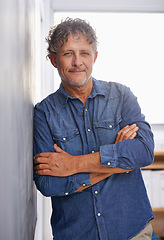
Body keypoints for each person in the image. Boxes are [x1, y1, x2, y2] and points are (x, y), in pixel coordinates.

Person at [33, 18, 154, 240]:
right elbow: (48, 183)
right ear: (53, 60)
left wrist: (73, 164)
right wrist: (116, 163)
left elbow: (144, 152)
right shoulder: (44, 113)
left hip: (132, 231)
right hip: (76, 234)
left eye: (84, 53)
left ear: (95, 57)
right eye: (68, 53)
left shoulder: (122, 96)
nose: (77, 61)